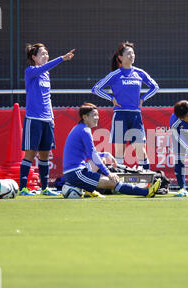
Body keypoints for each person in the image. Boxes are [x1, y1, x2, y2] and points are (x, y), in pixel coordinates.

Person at [62, 103, 161, 198]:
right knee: (113, 182)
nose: (97, 118)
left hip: (75, 172)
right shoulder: (85, 131)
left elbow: (91, 154)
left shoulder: (80, 128)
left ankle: (87, 188)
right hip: (76, 174)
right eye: (94, 115)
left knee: (102, 161)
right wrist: (109, 173)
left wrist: (105, 154)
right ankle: (147, 192)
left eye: (97, 115)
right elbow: (93, 155)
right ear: (85, 117)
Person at [19, 43, 76, 196]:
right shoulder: (30, 71)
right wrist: (61, 59)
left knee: (45, 154)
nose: (45, 56)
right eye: (42, 54)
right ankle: (23, 188)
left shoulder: (46, 74)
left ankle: (44, 188)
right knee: (30, 155)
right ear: (34, 57)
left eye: (46, 53)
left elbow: (47, 97)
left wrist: (51, 116)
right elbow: (43, 68)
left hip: (47, 119)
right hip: (34, 119)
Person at [91, 41, 159, 170]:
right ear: (120, 58)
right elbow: (96, 89)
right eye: (128, 53)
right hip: (120, 115)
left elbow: (155, 87)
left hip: (135, 116)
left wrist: (143, 99)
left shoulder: (139, 73)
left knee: (141, 150)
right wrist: (111, 98)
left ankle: (148, 183)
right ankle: (118, 184)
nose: (132, 56)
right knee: (119, 152)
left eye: (133, 53)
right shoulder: (115, 74)